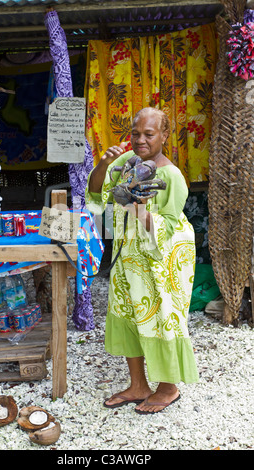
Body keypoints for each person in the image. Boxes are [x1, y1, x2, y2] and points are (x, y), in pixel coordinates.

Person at [85, 107, 199, 414]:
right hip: (129, 253)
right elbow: (96, 196)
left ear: (164, 135)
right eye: (136, 133)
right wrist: (105, 163)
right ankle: (138, 385)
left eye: (149, 134)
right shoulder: (125, 162)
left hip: (165, 258)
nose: (140, 140)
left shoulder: (171, 175)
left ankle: (169, 388)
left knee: (162, 318)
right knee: (128, 314)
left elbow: (170, 224)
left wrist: (139, 209)